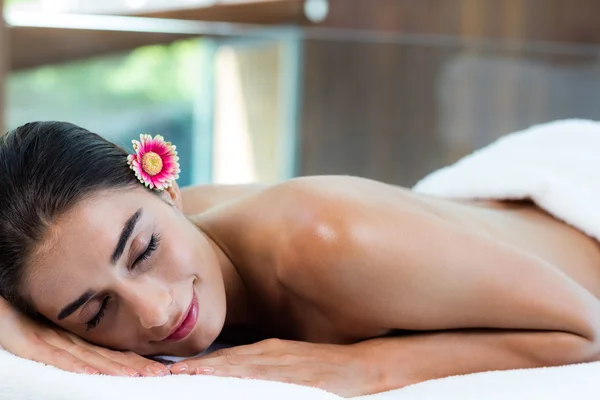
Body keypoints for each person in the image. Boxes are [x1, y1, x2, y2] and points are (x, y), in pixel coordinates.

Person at [1, 121, 600, 397]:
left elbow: (586, 327)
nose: (155, 314)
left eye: (144, 250)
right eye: (95, 311)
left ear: (166, 187)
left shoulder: (330, 240)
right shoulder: (104, 242)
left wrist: (374, 368)